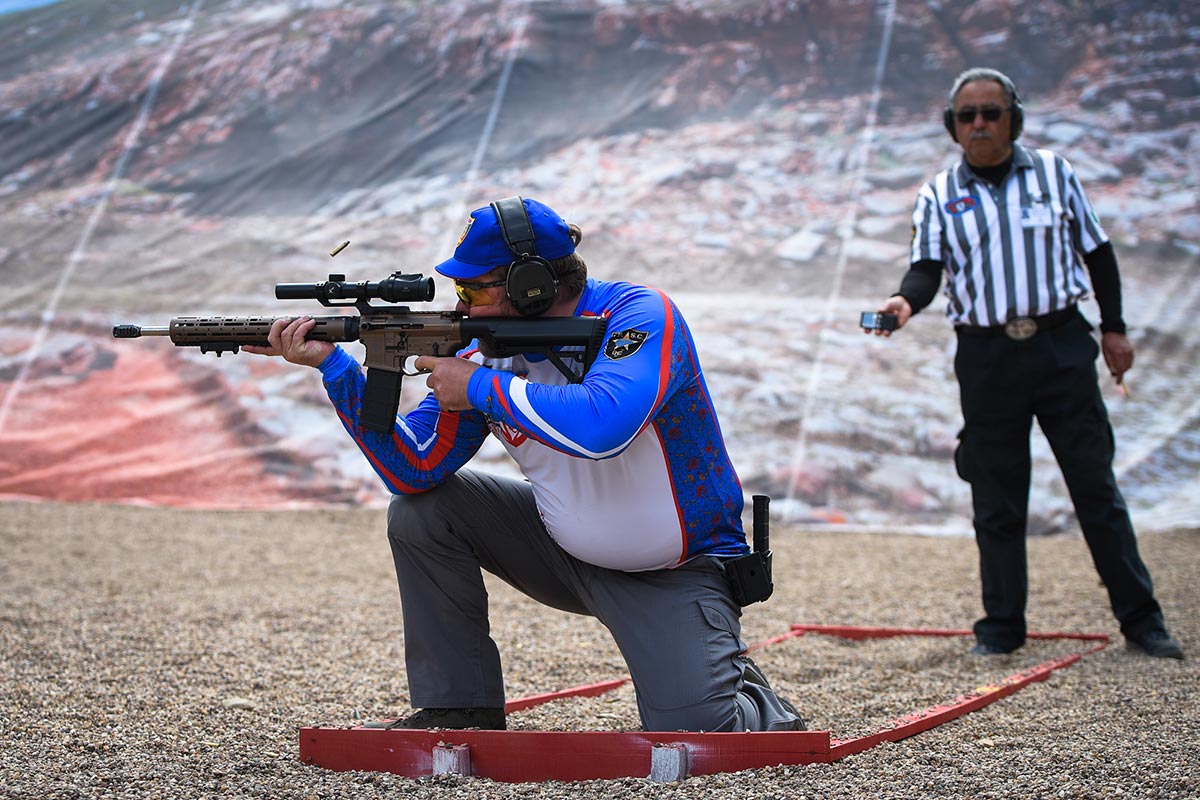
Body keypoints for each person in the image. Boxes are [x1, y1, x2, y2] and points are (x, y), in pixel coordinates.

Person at [244, 196, 807, 730]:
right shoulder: (480, 347)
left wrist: (484, 387)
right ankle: (459, 709)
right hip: (562, 554)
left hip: (676, 572)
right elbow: (412, 470)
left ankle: (745, 692)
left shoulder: (637, 314)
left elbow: (602, 427)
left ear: (530, 285)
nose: (459, 302)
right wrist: (338, 371)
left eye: (472, 287)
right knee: (423, 512)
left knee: (702, 733)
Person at [870, 67, 1184, 660]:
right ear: (953, 126)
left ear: (1014, 117)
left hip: (1061, 345)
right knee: (996, 495)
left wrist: (1113, 329)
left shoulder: (1055, 174)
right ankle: (1002, 629)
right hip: (986, 357)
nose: (981, 124)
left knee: (1096, 488)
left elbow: (1099, 253)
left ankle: (1142, 621)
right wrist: (904, 301)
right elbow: (927, 269)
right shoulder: (939, 194)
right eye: (969, 116)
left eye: (992, 112)